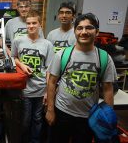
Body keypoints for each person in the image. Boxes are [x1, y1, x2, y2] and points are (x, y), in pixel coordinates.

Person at [46, 13, 117, 143]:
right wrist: (50, 110)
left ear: (97, 32)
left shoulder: (105, 58)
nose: (84, 32)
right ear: (75, 31)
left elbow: (108, 89)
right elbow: (51, 82)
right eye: (79, 28)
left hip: (88, 116)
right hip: (62, 112)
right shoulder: (62, 55)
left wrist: (108, 117)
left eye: (89, 28)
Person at [11, 10, 54, 143]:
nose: (31, 26)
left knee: (37, 120)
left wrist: (48, 91)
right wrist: (22, 66)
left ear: (40, 24)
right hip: (24, 88)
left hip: (40, 89)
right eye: (28, 23)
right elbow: (13, 57)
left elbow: (48, 70)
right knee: (24, 120)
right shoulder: (18, 40)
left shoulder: (47, 44)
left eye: (34, 23)